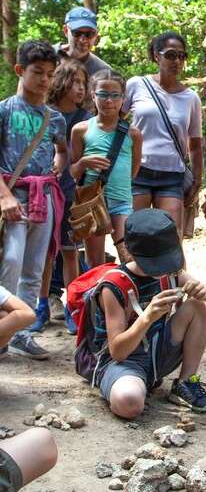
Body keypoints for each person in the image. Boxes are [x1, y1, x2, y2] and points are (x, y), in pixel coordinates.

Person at [94, 209, 206, 417]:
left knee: (200, 304)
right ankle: (127, 383)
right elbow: (118, 351)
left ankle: (186, 383)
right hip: (125, 361)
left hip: (158, 351)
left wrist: (203, 292)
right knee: (128, 402)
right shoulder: (114, 286)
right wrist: (147, 316)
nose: (159, 269)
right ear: (130, 251)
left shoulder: (171, 273)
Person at [0, 40, 66, 361]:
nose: (44, 80)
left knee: (36, 266)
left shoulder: (55, 119)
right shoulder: (4, 110)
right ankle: (4, 328)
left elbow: (62, 149)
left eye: (50, 74)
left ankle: (22, 334)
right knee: (10, 260)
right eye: (37, 72)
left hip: (45, 197)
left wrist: (60, 163)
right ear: (19, 71)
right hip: (12, 195)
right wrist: (5, 197)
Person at [30, 60, 90, 335]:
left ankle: (72, 307)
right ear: (61, 83)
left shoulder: (86, 118)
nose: (80, 89)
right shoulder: (46, 114)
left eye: (83, 84)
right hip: (45, 192)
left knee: (70, 252)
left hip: (74, 192)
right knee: (44, 254)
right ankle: (40, 306)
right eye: (75, 82)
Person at [125, 31, 203, 237]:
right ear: (155, 56)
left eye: (181, 56)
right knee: (135, 235)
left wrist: (197, 180)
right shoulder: (136, 85)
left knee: (171, 238)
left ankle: (174, 272)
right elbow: (113, 121)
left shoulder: (191, 98)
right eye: (170, 55)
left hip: (172, 175)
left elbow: (195, 143)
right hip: (137, 171)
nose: (176, 61)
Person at [70, 68, 142, 268]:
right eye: (102, 94)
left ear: (122, 98)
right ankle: (97, 298)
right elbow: (73, 172)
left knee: (129, 257)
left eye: (114, 95)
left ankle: (128, 297)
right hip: (91, 203)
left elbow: (133, 171)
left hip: (122, 201)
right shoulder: (81, 130)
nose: (108, 101)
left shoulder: (133, 133)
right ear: (93, 95)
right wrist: (84, 162)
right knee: (95, 261)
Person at [54, 6, 110, 78]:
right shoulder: (45, 55)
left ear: (96, 34)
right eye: (77, 33)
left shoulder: (102, 72)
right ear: (66, 31)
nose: (83, 39)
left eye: (89, 34)